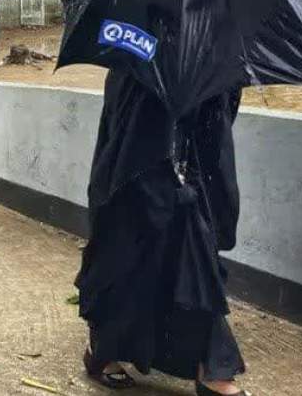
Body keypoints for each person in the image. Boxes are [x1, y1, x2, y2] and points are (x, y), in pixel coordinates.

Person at [76, 70, 246, 395]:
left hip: (192, 171)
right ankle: (101, 350)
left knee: (194, 262)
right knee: (125, 259)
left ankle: (210, 366)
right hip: (136, 167)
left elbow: (222, 119)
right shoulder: (137, 40)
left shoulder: (219, 39)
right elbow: (126, 124)